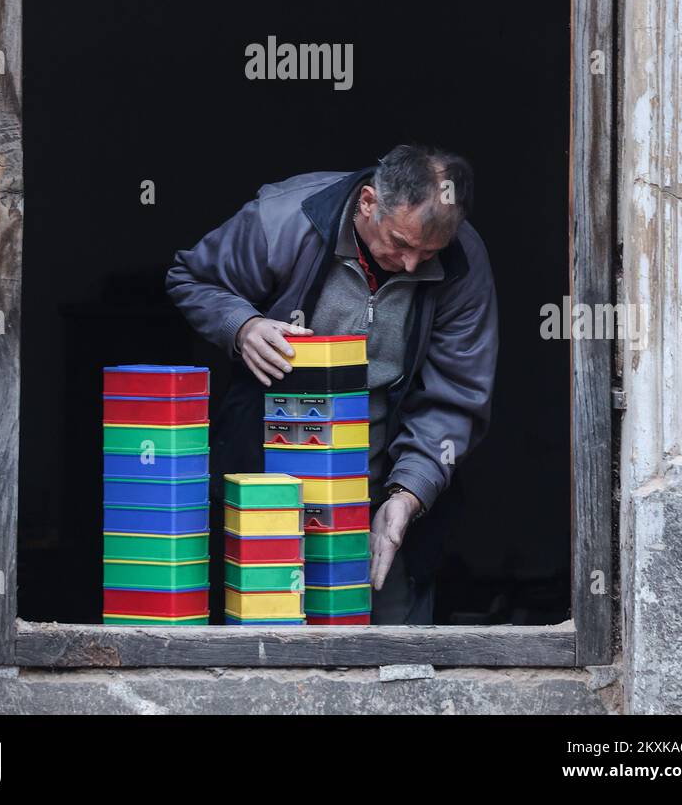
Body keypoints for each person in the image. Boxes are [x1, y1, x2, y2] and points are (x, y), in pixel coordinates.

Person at [165, 144, 499, 624]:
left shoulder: (464, 259)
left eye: (429, 253)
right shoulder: (283, 217)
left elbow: (458, 393)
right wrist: (242, 326)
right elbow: (191, 277)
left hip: (383, 474)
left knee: (389, 635)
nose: (410, 265)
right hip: (269, 471)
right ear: (367, 202)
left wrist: (408, 496)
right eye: (400, 243)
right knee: (263, 622)